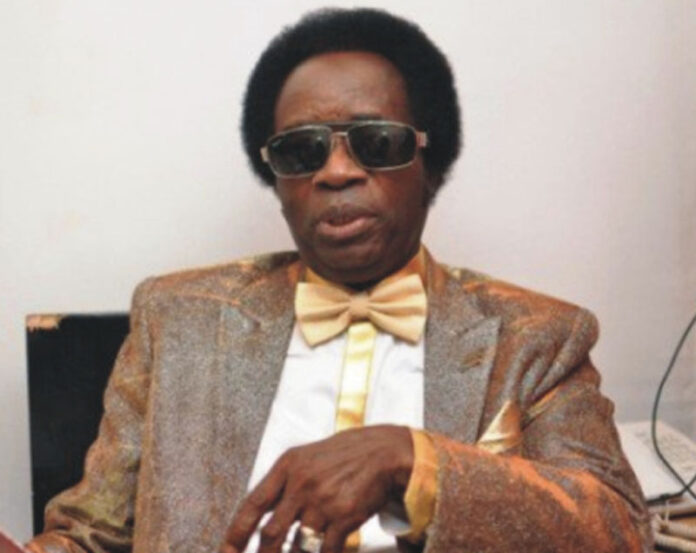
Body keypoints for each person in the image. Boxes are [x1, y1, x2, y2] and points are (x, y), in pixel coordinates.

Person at [27, 8, 652, 553]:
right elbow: (89, 536)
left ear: (429, 165)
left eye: (375, 142)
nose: (337, 172)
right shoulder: (177, 319)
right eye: (302, 152)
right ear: (278, 182)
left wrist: (413, 463)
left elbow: (619, 529)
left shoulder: (536, 337)